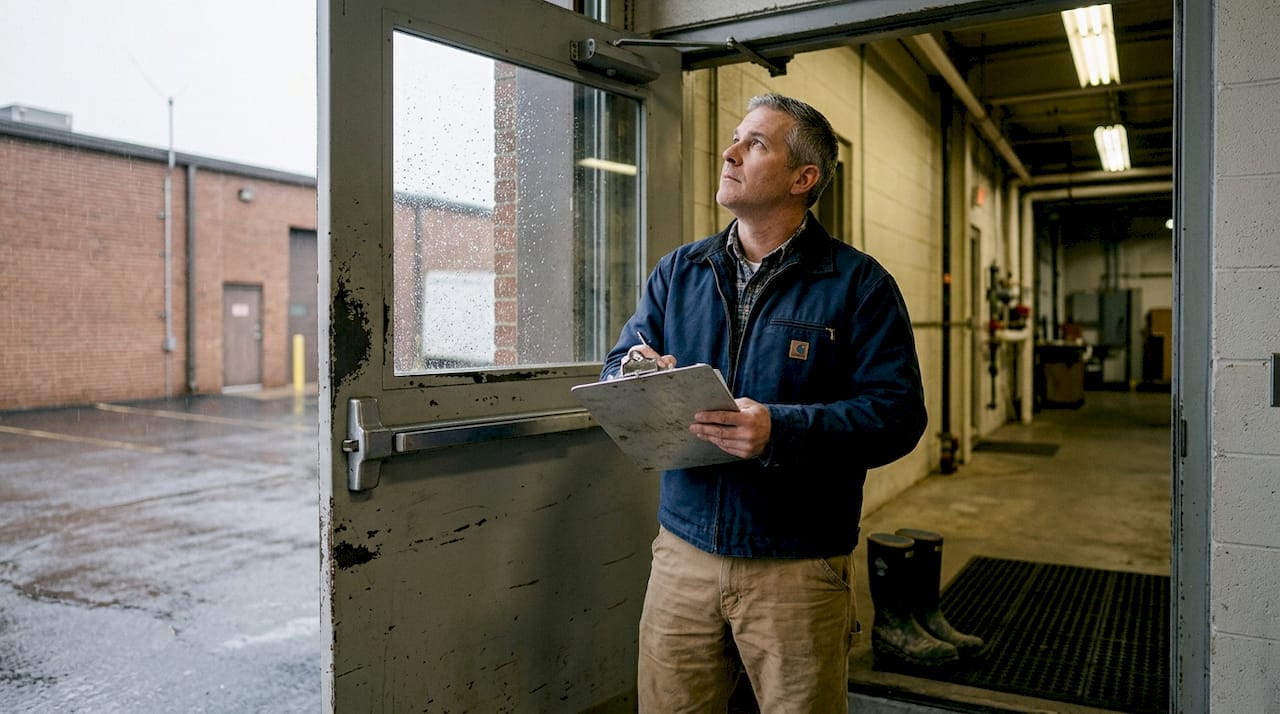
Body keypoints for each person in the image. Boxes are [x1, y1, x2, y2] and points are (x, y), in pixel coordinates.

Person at [601, 93, 928, 712]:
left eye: (755, 144)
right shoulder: (681, 271)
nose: (729, 153)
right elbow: (621, 359)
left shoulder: (858, 285)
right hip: (684, 552)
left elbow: (898, 416)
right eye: (735, 138)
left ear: (803, 178)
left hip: (797, 564)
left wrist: (779, 430)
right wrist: (638, 369)